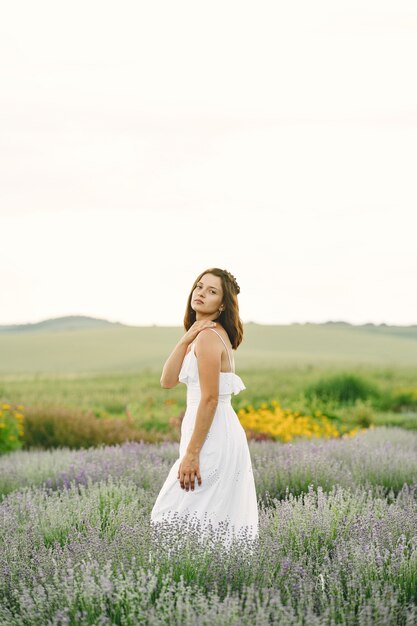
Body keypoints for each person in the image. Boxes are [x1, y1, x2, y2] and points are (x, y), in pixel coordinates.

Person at [150, 268, 259, 550]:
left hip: (212, 435)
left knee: (171, 514)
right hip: (211, 429)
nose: (201, 293)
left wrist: (192, 454)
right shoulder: (199, 335)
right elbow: (167, 381)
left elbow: (210, 398)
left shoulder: (209, 337)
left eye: (212, 291)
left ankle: (189, 584)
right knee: (207, 517)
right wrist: (185, 339)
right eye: (199, 286)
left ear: (222, 305)